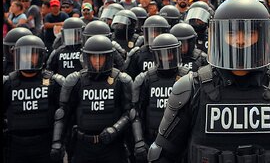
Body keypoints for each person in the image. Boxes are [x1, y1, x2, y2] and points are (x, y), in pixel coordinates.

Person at [147, 0, 270, 163]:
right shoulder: (191, 88)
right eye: (231, 33)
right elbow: (161, 154)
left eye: (248, 33)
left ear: (262, 36)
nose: (239, 40)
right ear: (220, 37)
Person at [50, 35, 133, 163]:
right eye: (94, 57)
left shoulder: (122, 80)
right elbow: (63, 113)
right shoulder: (75, 80)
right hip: (83, 145)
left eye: (102, 57)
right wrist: (57, 142)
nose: (98, 61)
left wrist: (116, 129)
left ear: (109, 57)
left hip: (113, 145)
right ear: (87, 57)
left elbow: (130, 112)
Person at [4, 35, 64, 163]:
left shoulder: (54, 82)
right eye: (24, 54)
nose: (28, 58)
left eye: (33, 54)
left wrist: (58, 142)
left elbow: (64, 114)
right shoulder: (8, 83)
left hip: (45, 144)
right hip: (15, 145)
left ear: (41, 56)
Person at [131, 34, 188, 162]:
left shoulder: (187, 77)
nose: (167, 58)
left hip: (179, 142)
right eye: (162, 54)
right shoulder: (146, 78)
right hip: (152, 138)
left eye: (170, 54)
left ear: (176, 53)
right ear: (156, 56)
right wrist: (139, 140)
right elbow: (136, 112)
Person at [124, 15, 170, 80]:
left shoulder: (171, 52)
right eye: (151, 32)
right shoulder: (138, 54)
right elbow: (131, 78)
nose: (153, 35)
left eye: (157, 32)